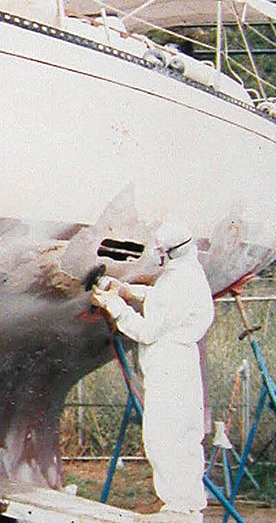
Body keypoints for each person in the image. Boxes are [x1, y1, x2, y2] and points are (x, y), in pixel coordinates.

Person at [91, 220, 215, 523]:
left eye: (161, 250)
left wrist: (115, 306)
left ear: (170, 252)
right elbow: (164, 299)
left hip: (167, 366)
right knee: (186, 435)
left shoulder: (175, 282)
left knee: (162, 436)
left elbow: (146, 331)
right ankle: (189, 503)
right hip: (183, 363)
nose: (157, 254)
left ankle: (175, 507)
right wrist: (128, 290)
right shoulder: (190, 272)